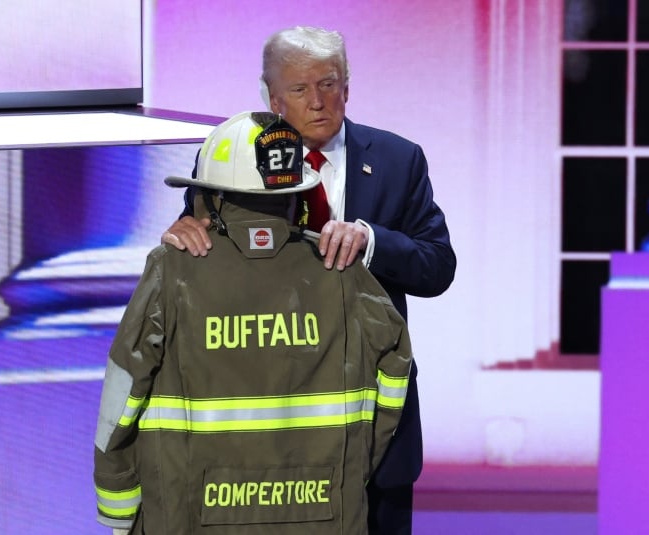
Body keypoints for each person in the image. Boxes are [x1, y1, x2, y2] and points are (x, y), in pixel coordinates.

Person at [163, 26, 457, 534]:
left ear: (348, 86)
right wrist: (183, 232)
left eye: (330, 83)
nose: (319, 102)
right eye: (300, 90)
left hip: (373, 422)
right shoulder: (230, 161)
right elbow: (203, 255)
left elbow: (437, 267)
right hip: (271, 427)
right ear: (271, 97)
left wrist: (372, 241)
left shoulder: (397, 159)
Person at [94, 111, 412, 534]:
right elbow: (393, 375)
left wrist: (119, 511)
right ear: (296, 193)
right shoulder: (344, 273)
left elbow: (121, 396)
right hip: (320, 511)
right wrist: (351, 469)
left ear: (212, 196)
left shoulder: (173, 271)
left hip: (189, 515)